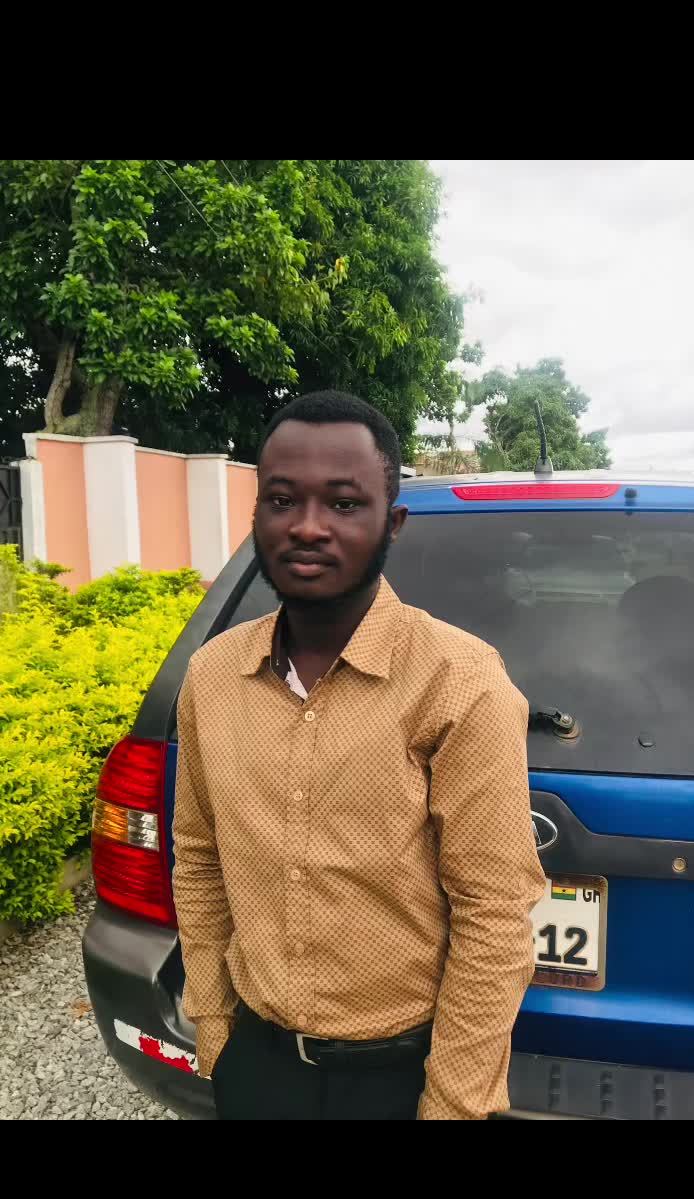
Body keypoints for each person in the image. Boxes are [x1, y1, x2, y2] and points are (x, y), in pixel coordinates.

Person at [172, 390, 545, 1121]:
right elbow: (200, 857)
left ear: (391, 523)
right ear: (257, 515)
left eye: (344, 504)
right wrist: (214, 1022)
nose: (308, 527)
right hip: (257, 1062)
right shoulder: (213, 676)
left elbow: (495, 914)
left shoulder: (458, 682)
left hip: (400, 1079)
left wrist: (452, 1103)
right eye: (282, 500)